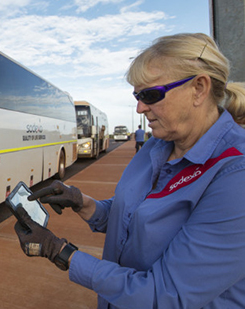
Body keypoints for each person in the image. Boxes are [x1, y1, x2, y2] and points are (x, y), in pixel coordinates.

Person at [13, 33, 245, 308]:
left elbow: (164, 296)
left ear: (199, 88)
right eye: (137, 95)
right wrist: (82, 202)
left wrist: (61, 252)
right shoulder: (157, 145)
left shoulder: (235, 174)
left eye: (150, 94)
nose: (140, 107)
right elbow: (136, 218)